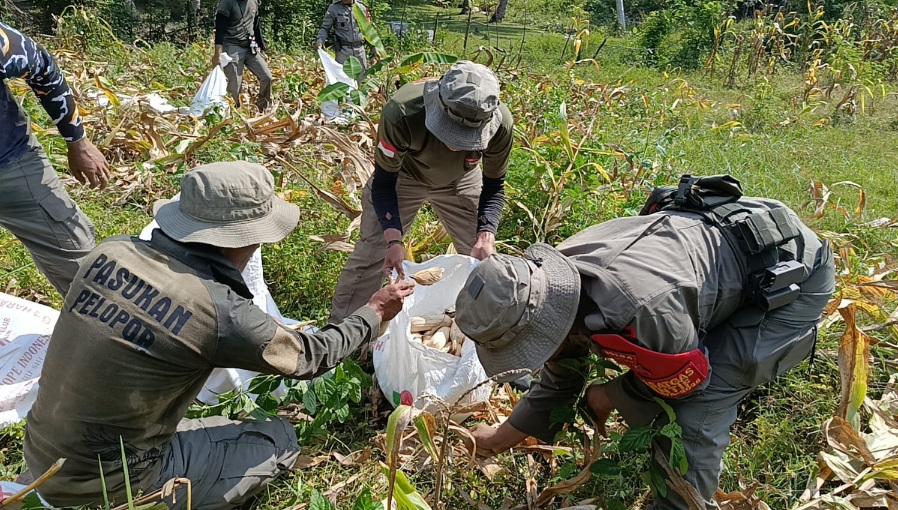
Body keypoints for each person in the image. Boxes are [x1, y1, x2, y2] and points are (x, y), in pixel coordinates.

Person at [23, 162, 415, 509]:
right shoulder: (219, 311)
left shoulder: (110, 251)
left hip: (41, 452)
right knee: (278, 438)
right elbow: (310, 356)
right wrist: (375, 310)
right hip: (110, 482)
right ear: (244, 238)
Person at [454, 175, 835, 510]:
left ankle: (681, 504)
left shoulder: (640, 311)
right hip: (722, 253)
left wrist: (609, 395)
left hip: (791, 270)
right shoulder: (554, 285)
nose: (535, 357)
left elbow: (687, 382)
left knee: (702, 405)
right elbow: (563, 366)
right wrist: (500, 438)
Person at [328, 61, 514, 323]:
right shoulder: (403, 111)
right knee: (373, 253)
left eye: (466, 137)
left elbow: (494, 185)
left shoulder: (500, 125)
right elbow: (383, 183)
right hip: (404, 176)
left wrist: (486, 235)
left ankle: (487, 329)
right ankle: (342, 335)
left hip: (461, 179)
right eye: (449, 133)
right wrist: (394, 240)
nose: (454, 144)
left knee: (482, 257)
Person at [0, 22, 109, 297]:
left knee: (81, 264)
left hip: (12, 167)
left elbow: (42, 68)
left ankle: (113, 335)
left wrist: (78, 141)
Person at [212, 0, 272, 112]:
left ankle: (262, 108)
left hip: (250, 47)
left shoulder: (254, 2)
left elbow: (256, 26)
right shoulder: (227, 3)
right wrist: (217, 52)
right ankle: (234, 112)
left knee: (267, 77)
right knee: (234, 84)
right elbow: (220, 28)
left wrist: (262, 48)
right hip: (232, 45)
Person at [314, 0, 370, 75]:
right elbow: (325, 28)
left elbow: (368, 31)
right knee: (343, 79)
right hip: (343, 52)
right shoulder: (334, 8)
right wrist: (320, 41)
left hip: (360, 51)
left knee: (362, 80)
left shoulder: (362, 8)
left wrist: (374, 49)